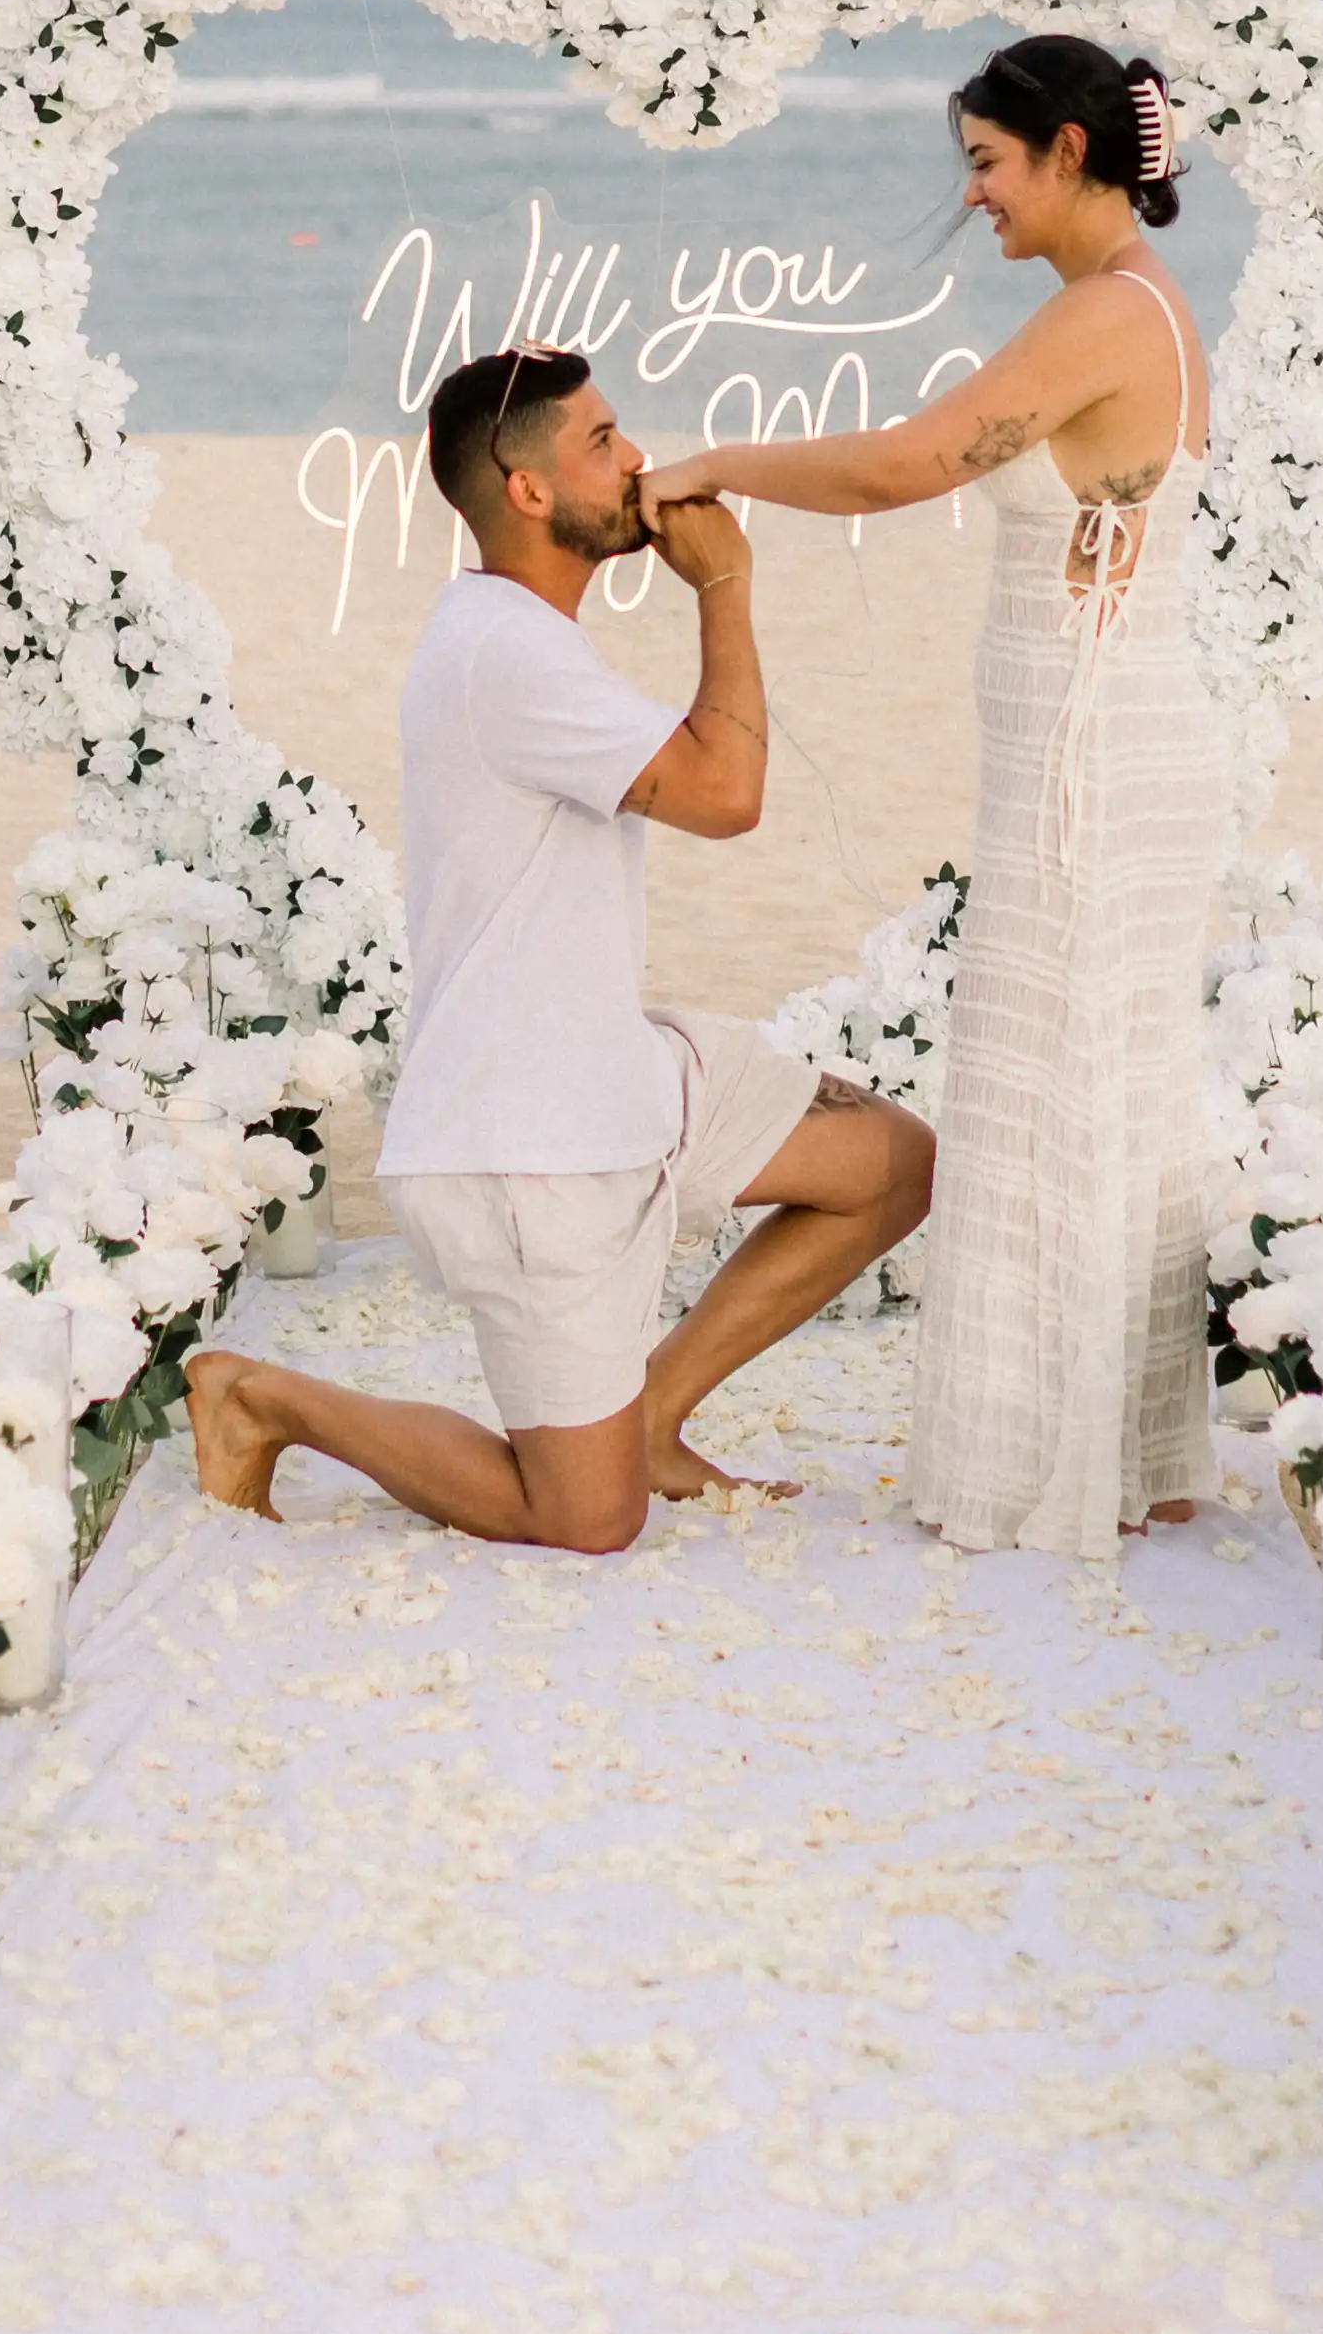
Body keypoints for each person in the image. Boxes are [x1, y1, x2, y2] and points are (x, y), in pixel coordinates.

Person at [184, 343, 934, 1546]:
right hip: (525, 1141)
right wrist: (723, 587)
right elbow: (724, 792)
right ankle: (262, 1397)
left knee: (890, 1165)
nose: (636, 459)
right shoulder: (507, 652)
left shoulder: (512, 629)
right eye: (600, 442)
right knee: (586, 1524)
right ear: (526, 491)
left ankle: (652, 1414)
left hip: (618, 1073)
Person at [640, 33, 1228, 1560]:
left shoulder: (1108, 313)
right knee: (1084, 1077)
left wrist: (721, 463)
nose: (973, 195)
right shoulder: (1129, 308)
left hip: (1094, 757)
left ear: (1072, 156)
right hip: (1095, 736)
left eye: (986, 161)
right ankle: (1115, 1453)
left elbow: (911, 466)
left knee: (1058, 1077)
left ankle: (1057, 1460)